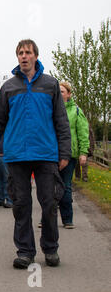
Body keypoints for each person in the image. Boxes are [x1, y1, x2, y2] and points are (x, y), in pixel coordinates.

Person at [0, 39, 71, 269]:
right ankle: (25, 251)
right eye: (20, 53)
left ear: (36, 56)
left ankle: (50, 248)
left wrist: (64, 152)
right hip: (16, 156)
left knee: (49, 204)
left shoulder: (50, 85)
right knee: (20, 205)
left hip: (46, 154)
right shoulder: (9, 88)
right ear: (17, 57)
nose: (24, 56)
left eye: (28, 52)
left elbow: (61, 122)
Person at [57, 82, 89, 229]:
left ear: (69, 94)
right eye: (58, 91)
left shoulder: (76, 111)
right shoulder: (49, 109)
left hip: (69, 153)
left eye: (62, 91)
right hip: (51, 153)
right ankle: (47, 218)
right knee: (48, 187)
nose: (60, 93)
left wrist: (83, 153)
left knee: (65, 186)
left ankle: (67, 219)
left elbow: (83, 133)